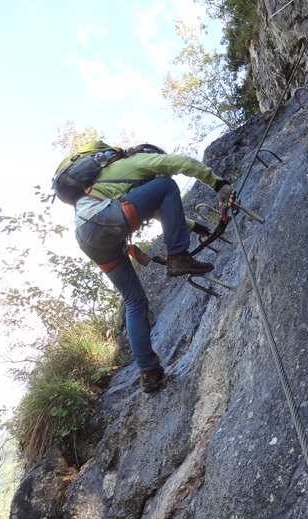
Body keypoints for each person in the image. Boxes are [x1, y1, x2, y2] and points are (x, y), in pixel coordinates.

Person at [74, 143, 235, 393]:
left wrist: (194, 227)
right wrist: (218, 184)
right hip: (106, 219)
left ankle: (148, 371)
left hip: (87, 237)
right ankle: (178, 257)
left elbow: (159, 211)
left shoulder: (108, 181)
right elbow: (184, 163)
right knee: (168, 187)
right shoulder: (137, 162)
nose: (159, 176)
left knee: (134, 301)